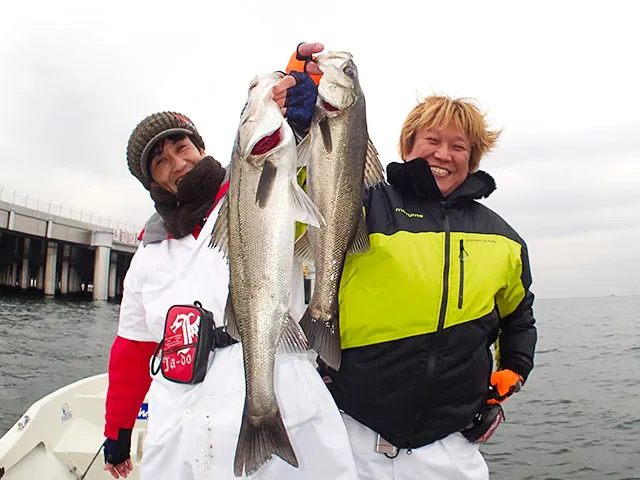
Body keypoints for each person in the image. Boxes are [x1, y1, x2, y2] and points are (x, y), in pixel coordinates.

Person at [102, 43, 358, 480]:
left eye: (181, 147)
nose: (176, 163)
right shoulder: (149, 250)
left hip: (274, 386)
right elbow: (133, 347)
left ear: (200, 145)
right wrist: (117, 431)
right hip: (177, 418)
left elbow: (321, 185)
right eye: (160, 162)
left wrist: (298, 99)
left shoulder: (255, 187)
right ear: (151, 182)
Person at [303, 49, 537, 479]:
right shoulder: (366, 202)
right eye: (431, 140)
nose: (443, 154)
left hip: (449, 449)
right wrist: (303, 124)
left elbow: (519, 316)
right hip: (349, 436)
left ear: (473, 157)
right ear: (408, 145)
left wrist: (514, 368)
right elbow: (301, 196)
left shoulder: (504, 239)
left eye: (458, 146)